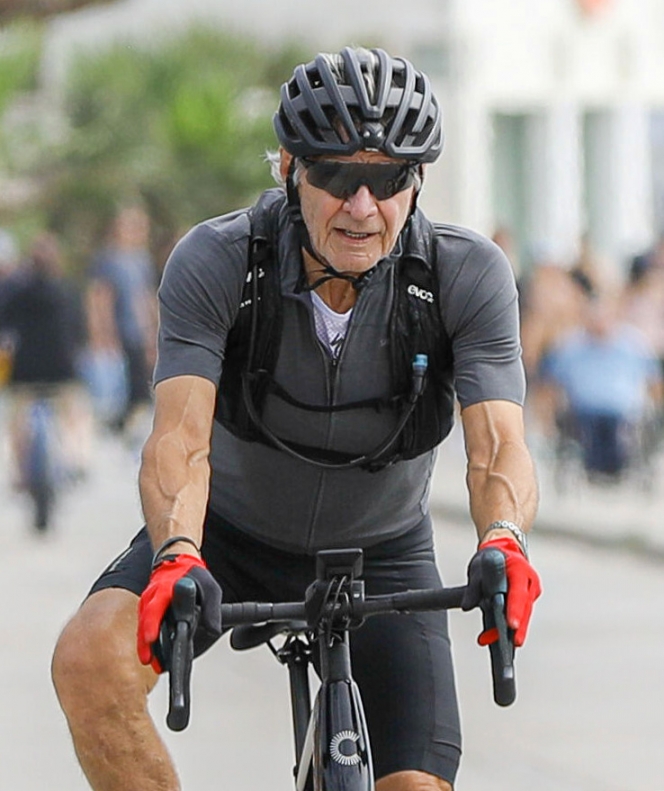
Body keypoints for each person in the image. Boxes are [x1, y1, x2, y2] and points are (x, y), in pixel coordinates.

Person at [51, 47, 542, 791]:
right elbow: (179, 437)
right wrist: (178, 548)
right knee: (90, 661)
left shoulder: (463, 273)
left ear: (417, 182)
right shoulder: (219, 260)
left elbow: (498, 444)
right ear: (288, 167)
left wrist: (504, 537)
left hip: (382, 549)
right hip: (225, 537)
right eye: (337, 177)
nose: (362, 206)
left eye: (389, 180)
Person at [0, 231, 92, 488]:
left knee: (18, 419)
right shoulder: (68, 291)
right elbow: (80, 330)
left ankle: (20, 473)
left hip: (25, 369)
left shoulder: (14, 290)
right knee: (76, 411)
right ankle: (77, 460)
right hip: (62, 369)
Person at [542, 292, 663, 479]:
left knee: (621, 430)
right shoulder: (570, 346)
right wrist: (549, 418)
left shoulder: (634, 344)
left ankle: (615, 463)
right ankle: (596, 465)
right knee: (588, 429)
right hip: (583, 412)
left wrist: (654, 408)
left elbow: (654, 379)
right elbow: (550, 384)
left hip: (623, 412)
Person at [86, 204, 158, 440]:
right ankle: (118, 431)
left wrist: (154, 331)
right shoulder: (108, 260)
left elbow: (146, 297)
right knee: (121, 389)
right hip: (120, 332)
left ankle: (130, 431)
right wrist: (103, 333)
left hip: (139, 333)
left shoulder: (142, 260)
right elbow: (100, 299)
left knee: (141, 388)